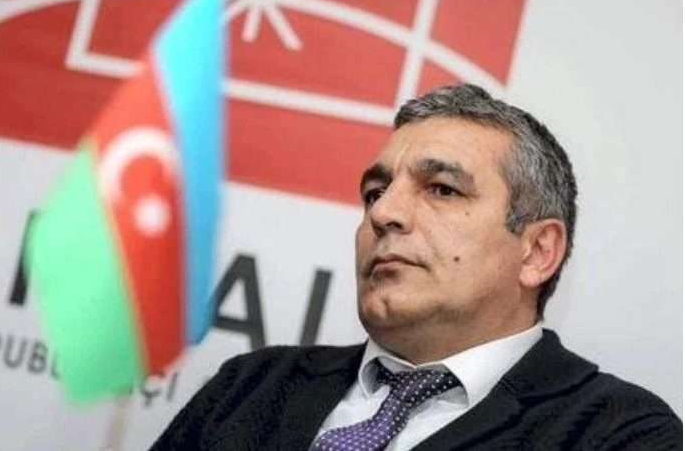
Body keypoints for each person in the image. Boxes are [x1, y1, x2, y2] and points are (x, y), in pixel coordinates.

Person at [151, 84, 681, 450]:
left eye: (443, 190)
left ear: (537, 251)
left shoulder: (619, 433)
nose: (384, 213)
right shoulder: (252, 387)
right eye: (375, 192)